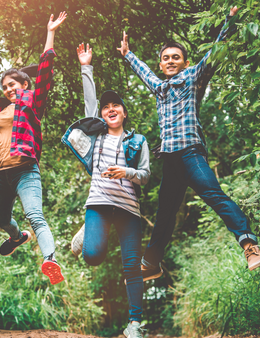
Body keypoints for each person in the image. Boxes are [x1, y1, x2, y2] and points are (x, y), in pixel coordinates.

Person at [117, 6, 260, 280]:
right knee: (165, 214)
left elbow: (215, 53)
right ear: (161, 64)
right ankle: (151, 263)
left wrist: (229, 20)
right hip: (171, 161)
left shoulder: (193, 77)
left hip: (191, 154)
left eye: (176, 57)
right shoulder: (160, 88)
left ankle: (250, 244)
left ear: (185, 63)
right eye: (166, 58)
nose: (170, 61)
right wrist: (128, 55)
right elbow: (144, 73)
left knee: (213, 195)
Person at [64, 43, 150, 338]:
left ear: (124, 113)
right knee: (93, 256)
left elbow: (146, 176)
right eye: (107, 107)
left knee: (132, 266)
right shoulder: (98, 135)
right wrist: (85, 66)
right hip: (99, 202)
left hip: (128, 209)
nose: (111, 109)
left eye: (116, 106)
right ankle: (86, 233)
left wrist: (127, 171)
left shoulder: (138, 141)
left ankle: (135, 325)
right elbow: (90, 105)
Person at [0, 12, 67, 285]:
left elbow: (46, 70)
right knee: (2, 220)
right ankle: (18, 237)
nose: (8, 90)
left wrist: (50, 33)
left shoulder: (32, 104)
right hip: (4, 174)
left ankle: (50, 259)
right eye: (5, 87)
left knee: (35, 216)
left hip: (26, 171)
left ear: (24, 84)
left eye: (12, 85)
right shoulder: (1, 109)